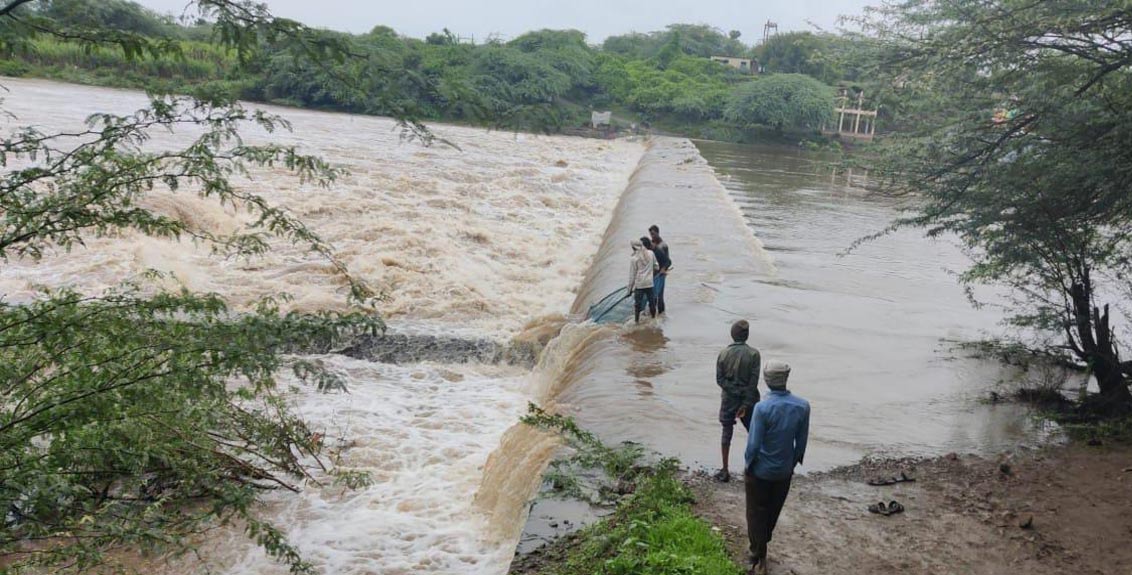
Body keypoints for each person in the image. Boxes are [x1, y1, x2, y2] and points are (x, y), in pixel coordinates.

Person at [744, 361, 810, 575]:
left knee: (755, 512)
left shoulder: (762, 408)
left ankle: (758, 552)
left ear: (766, 380)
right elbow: (801, 443)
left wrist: (748, 465)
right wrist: (791, 463)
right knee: (772, 511)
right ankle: (762, 547)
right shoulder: (802, 406)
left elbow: (753, 444)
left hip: (760, 470)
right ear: (786, 379)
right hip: (783, 471)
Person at [715, 320, 761, 482]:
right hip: (749, 400)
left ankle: (725, 469)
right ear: (747, 336)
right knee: (754, 432)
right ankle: (753, 467)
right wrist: (745, 403)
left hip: (728, 399)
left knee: (726, 432)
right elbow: (753, 382)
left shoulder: (723, 354)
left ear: (732, 335)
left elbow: (719, 380)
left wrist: (734, 392)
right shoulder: (754, 354)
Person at [628, 237, 658, 323]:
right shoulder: (651, 253)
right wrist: (652, 274)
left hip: (639, 285)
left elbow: (632, 276)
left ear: (633, 247)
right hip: (649, 283)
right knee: (652, 303)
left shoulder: (634, 258)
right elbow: (656, 266)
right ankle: (654, 320)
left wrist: (629, 290)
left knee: (637, 305)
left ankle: (636, 322)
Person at [648, 224, 671, 315]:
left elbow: (667, 261)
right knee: (652, 297)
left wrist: (663, 269)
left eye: (653, 234)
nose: (652, 236)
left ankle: (662, 315)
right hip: (652, 273)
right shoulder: (651, 244)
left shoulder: (663, 246)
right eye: (650, 234)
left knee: (660, 296)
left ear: (658, 233)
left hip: (660, 274)